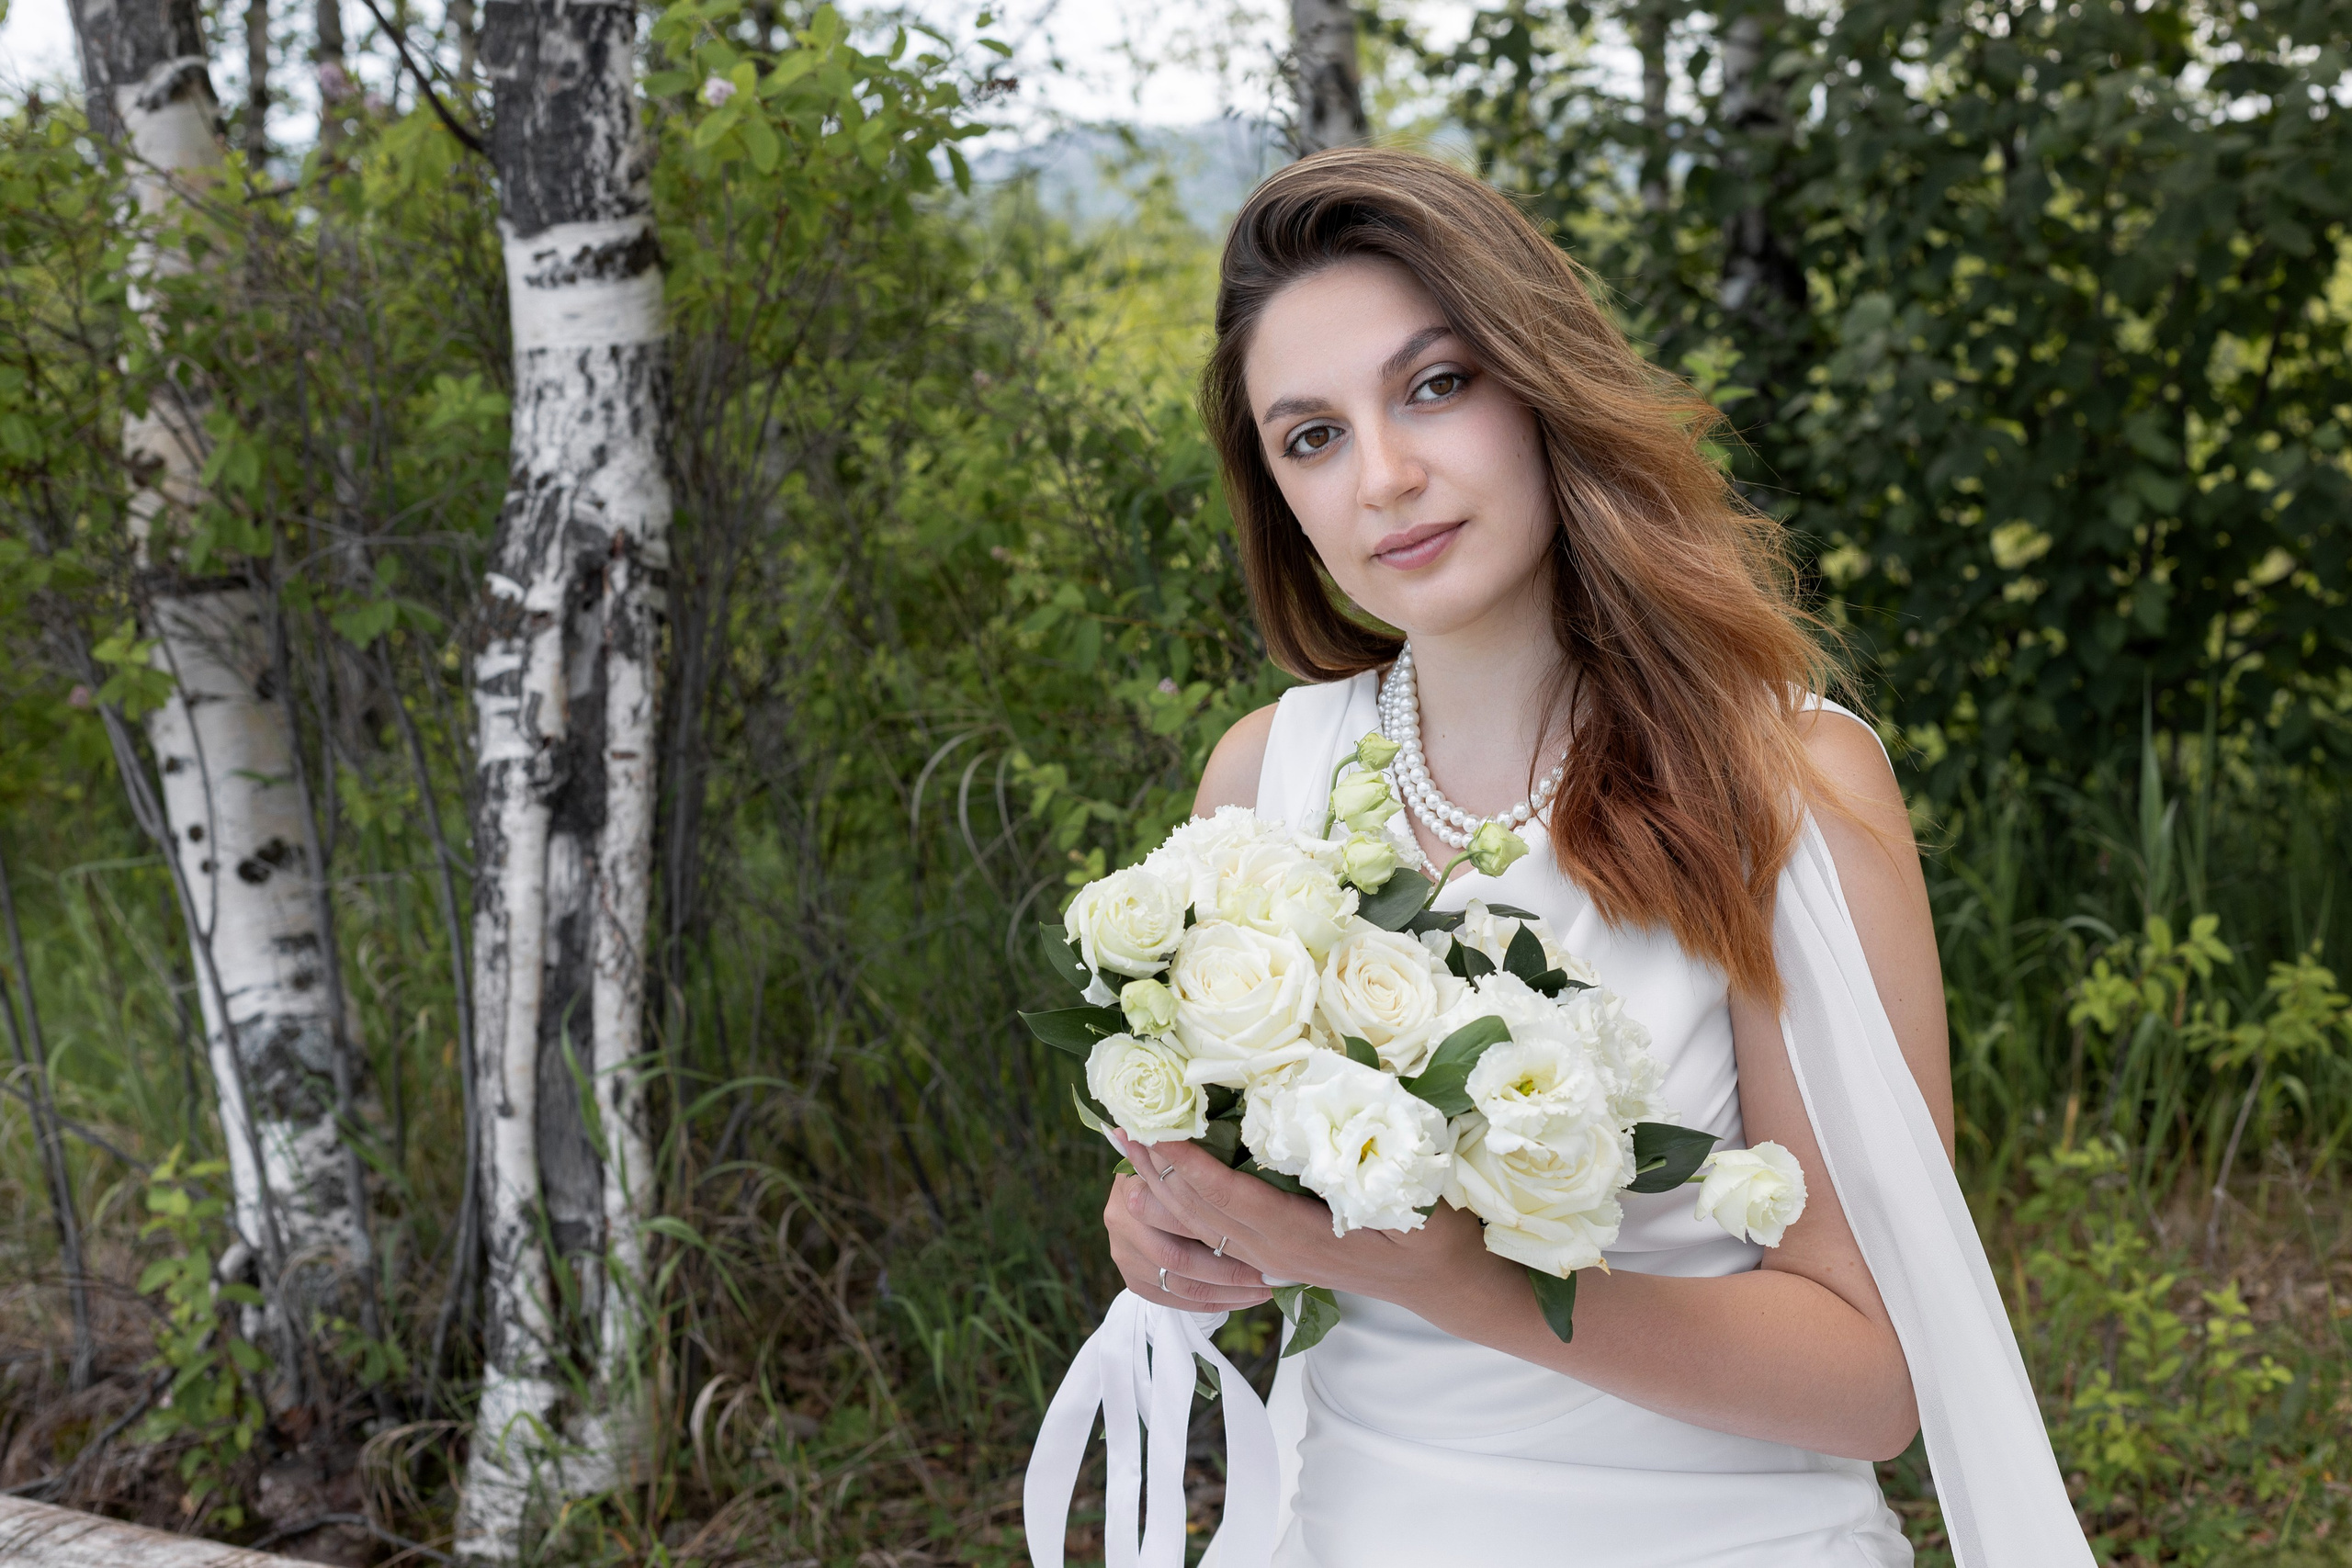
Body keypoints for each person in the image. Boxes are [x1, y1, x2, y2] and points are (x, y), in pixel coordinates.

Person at [1091, 149, 2089, 1566]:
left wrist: (1457, 1275)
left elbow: (1876, 1382)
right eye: (1310, 436)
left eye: (1435, 386)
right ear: (1278, 497)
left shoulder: (1783, 780)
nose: (1385, 477)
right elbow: (1242, 1216)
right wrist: (1169, 1233)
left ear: (1538, 382)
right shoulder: (1269, 779)